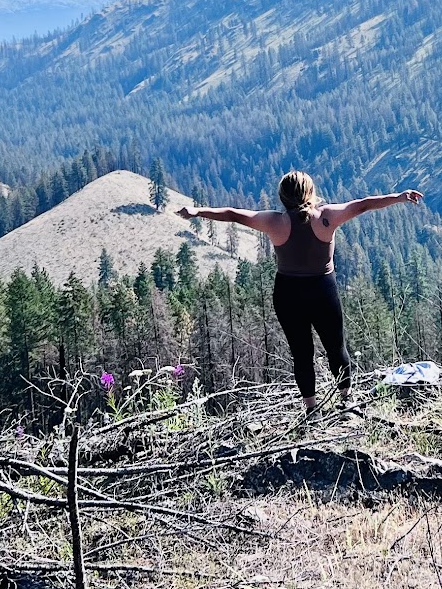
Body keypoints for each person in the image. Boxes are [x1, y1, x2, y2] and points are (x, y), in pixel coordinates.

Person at [177, 171, 423, 413]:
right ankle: (346, 399)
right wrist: (399, 197)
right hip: (322, 290)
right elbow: (364, 205)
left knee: (301, 354)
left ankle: (311, 409)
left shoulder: (275, 221)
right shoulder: (326, 216)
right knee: (336, 348)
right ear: (310, 192)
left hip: (288, 293)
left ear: (283, 197)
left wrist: (198, 211)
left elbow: (233, 214)